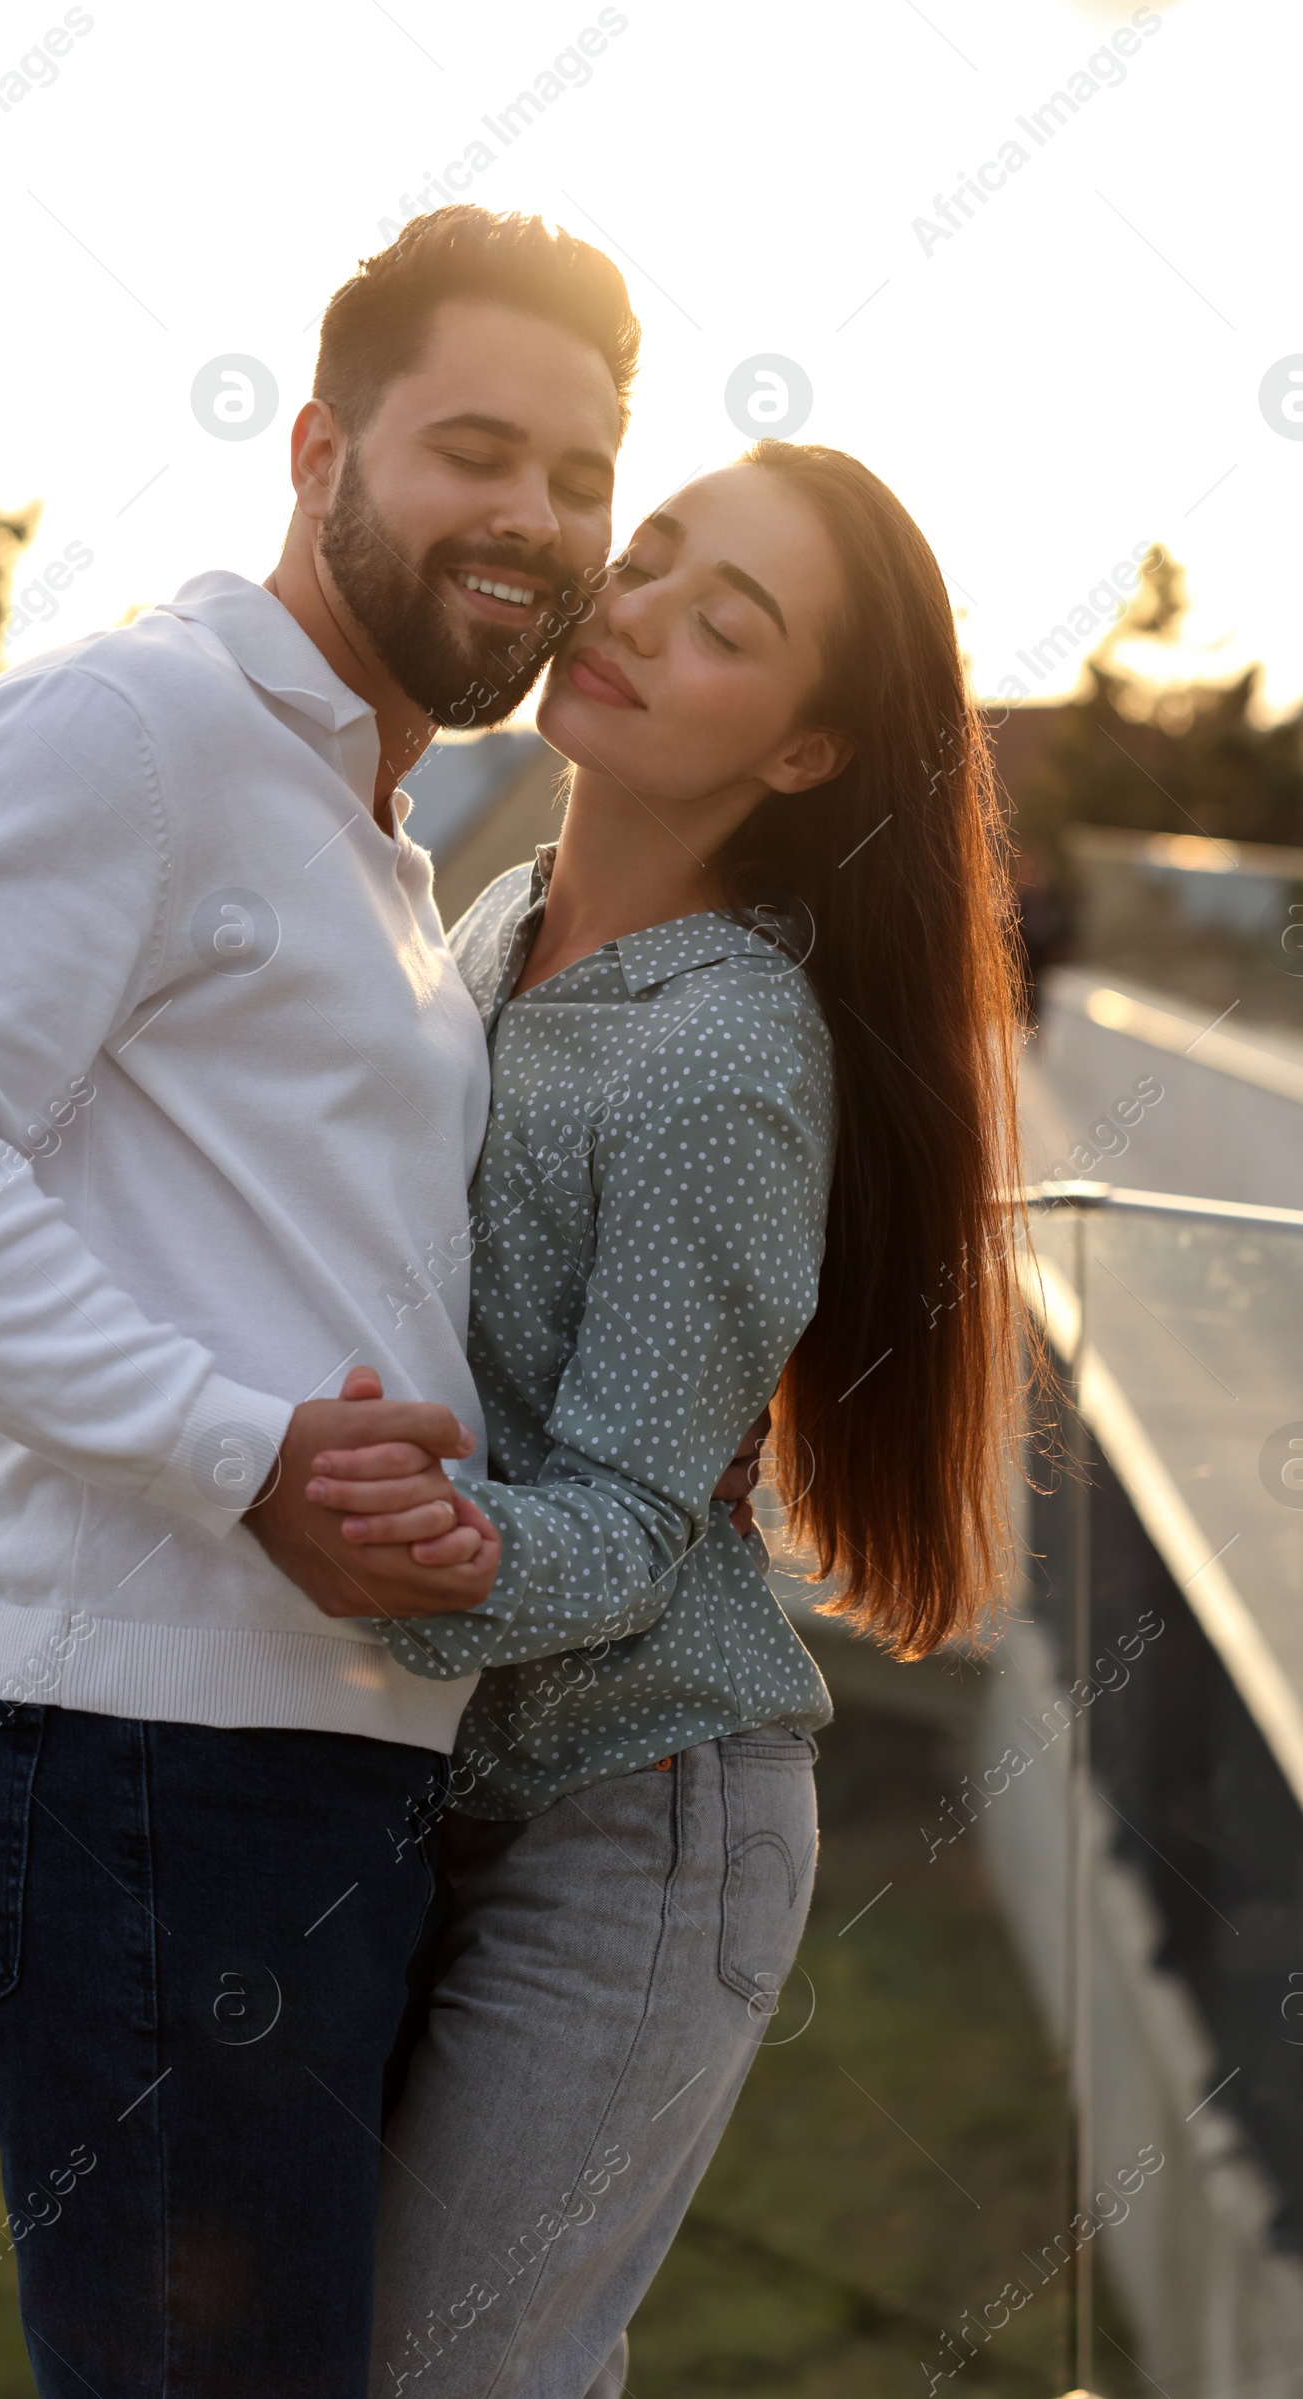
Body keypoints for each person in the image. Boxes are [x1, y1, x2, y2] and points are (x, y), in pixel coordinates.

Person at [0, 209, 661, 2399]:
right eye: (475, 451)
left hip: (284, 1768)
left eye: (582, 479)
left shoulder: (363, 824)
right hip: (130, 1765)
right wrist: (235, 1453)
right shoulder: (127, 726)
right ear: (322, 444)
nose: (537, 521)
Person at [306, 441, 1032, 2396]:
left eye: (725, 627)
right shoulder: (485, 934)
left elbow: (627, 1532)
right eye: (646, 563)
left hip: (635, 1822)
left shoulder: (722, 1059)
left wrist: (340, 1564)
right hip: (432, 1791)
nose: (629, 614)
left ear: (800, 757)